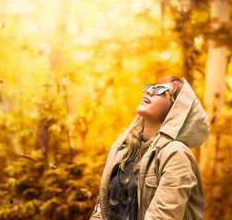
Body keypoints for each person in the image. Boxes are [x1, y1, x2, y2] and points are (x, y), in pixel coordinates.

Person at [89, 76, 210, 220]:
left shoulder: (176, 154)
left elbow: (162, 216)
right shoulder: (124, 149)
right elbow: (101, 210)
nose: (149, 92)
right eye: (149, 87)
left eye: (160, 90)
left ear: (176, 108)